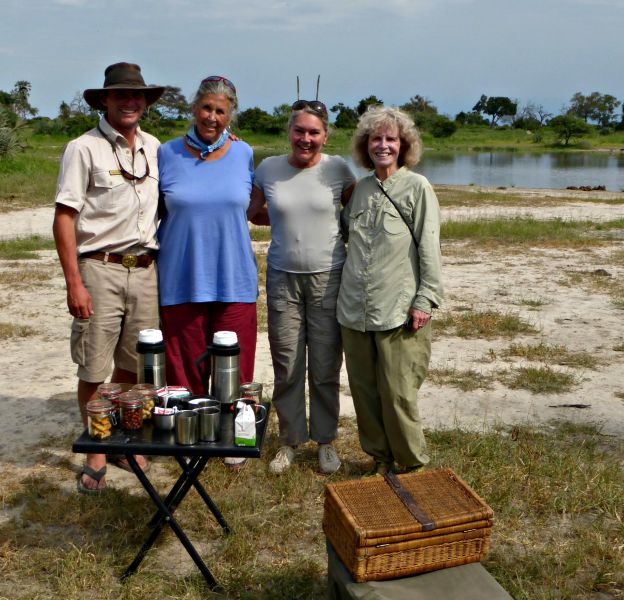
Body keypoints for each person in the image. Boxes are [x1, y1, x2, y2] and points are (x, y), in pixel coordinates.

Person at [53, 62, 164, 493]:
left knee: (135, 367)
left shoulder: (155, 147)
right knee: (94, 367)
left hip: (146, 269)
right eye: (121, 95)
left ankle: (125, 438)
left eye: (137, 95)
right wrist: (73, 283)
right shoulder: (84, 148)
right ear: (104, 99)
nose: (130, 102)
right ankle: (96, 451)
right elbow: (65, 218)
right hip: (100, 268)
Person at [247, 100, 355, 474]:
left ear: (325, 135)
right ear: (288, 132)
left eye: (314, 132)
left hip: (329, 277)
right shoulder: (268, 169)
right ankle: (290, 440)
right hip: (282, 278)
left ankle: (325, 440)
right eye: (299, 131)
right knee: (287, 363)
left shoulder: (338, 169)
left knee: (325, 365)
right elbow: (254, 212)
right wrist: (284, 219)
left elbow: (354, 213)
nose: (305, 139)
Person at [337, 106, 444, 475]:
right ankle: (379, 459)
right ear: (365, 146)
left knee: (398, 394)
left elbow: (430, 248)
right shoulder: (359, 190)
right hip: (354, 311)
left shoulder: (418, 187)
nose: (383, 145)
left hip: (398, 311)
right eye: (376, 139)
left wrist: (425, 300)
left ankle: (412, 464)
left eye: (391, 139)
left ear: (404, 145)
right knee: (365, 395)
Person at [156, 75, 258, 401]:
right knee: (185, 372)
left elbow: (259, 206)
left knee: (235, 368)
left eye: (220, 111)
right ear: (194, 108)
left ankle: (232, 437)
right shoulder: (166, 153)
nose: (212, 117)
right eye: (206, 108)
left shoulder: (244, 153)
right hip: (180, 278)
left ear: (231, 116)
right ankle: (191, 438)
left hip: (235, 278)